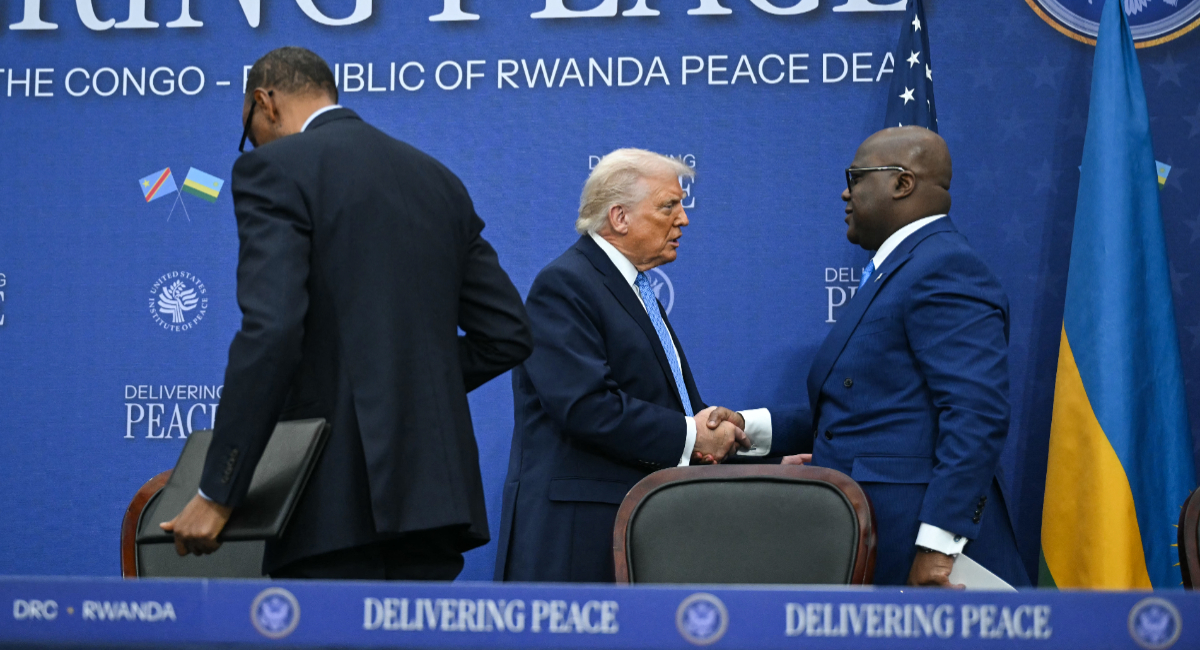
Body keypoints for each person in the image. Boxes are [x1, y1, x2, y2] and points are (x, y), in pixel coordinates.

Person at [160, 47, 532, 580]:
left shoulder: (273, 169)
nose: (253, 141)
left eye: (248, 127)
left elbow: (272, 332)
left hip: (328, 499)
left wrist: (219, 490)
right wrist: (405, 380)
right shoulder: (438, 180)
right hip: (431, 502)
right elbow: (508, 335)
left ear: (264, 103)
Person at [496, 149, 809, 583]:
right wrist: (694, 434)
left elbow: (676, 415)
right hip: (579, 541)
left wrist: (765, 471)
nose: (683, 219)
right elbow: (587, 407)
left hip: (642, 529)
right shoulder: (566, 284)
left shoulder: (634, 291)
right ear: (619, 217)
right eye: (669, 206)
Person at [796, 126, 1029, 587]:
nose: (845, 192)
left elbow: (976, 413)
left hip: (923, 547)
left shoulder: (943, 267)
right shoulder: (901, 268)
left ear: (902, 183)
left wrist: (939, 546)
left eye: (856, 176)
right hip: (874, 535)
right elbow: (867, 401)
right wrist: (750, 429)